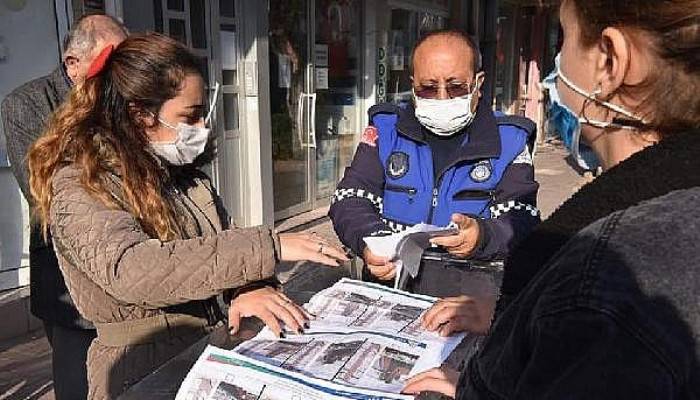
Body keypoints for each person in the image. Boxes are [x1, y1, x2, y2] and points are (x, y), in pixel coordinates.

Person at [26, 33, 348, 400]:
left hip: (207, 351)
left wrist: (249, 288)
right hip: (140, 373)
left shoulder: (182, 174)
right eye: (189, 116)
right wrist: (269, 246)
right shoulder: (80, 184)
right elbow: (132, 270)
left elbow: (219, 243)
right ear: (140, 114)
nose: (202, 129)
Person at [404, 0, 700, 398]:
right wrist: (518, 320)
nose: (555, 67)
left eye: (564, 39)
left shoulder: (601, 284)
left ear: (610, 61)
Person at [329, 29, 540, 296]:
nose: (442, 98)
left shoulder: (509, 140)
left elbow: (522, 217)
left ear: (478, 83)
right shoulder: (385, 130)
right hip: (391, 291)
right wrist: (371, 240)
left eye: (455, 87)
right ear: (413, 84)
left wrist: (481, 236)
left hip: (467, 301)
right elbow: (349, 196)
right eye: (428, 88)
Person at [0, 14, 127, 400]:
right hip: (68, 280)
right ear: (74, 64)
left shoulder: (122, 95)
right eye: (114, 59)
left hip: (131, 269)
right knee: (79, 386)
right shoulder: (27, 104)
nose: (125, 70)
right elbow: (45, 196)